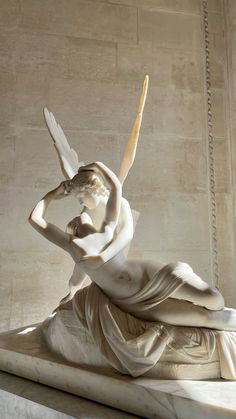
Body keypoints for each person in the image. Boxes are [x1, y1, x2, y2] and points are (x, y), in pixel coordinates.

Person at [29, 161, 236, 332]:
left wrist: (99, 167)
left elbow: (116, 188)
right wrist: (51, 195)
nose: (82, 213)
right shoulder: (72, 246)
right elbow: (35, 220)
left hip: (149, 277)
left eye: (81, 199)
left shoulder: (107, 229)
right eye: (78, 221)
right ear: (72, 229)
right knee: (207, 319)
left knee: (213, 299)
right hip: (133, 302)